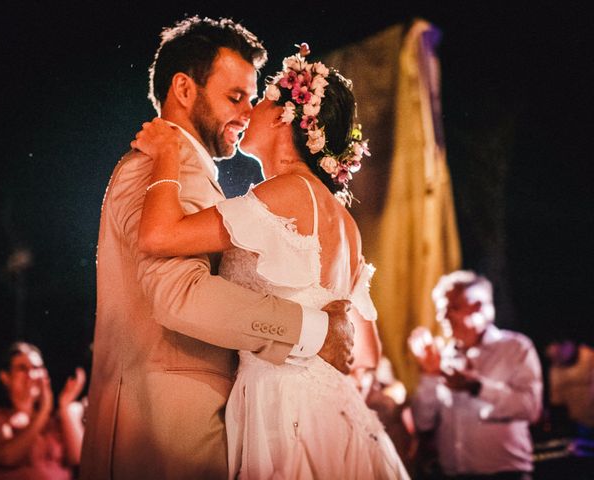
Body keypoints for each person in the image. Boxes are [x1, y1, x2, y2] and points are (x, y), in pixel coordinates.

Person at [80, 17, 353, 480]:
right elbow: (178, 296)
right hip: (167, 430)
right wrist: (312, 330)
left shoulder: (190, 172)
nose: (248, 113)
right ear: (184, 90)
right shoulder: (161, 169)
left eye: (252, 99)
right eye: (235, 97)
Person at [132, 42, 409, 479]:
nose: (246, 112)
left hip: (285, 406)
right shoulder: (343, 221)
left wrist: (167, 154)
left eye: (259, 100)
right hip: (330, 404)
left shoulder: (285, 194)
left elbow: (158, 236)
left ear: (285, 117)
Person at [408, 271, 543, 479]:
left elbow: (530, 408)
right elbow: (423, 422)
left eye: (451, 307)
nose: (441, 317)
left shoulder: (516, 348)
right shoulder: (442, 357)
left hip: (506, 474)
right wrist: (429, 374)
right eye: (440, 309)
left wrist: (477, 387)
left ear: (479, 307)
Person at [0, 342, 85, 480]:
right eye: (22, 368)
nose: (31, 375)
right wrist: (44, 410)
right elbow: (7, 457)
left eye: (37, 368)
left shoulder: (56, 420)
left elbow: (78, 458)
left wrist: (65, 406)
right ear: (5, 377)